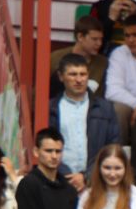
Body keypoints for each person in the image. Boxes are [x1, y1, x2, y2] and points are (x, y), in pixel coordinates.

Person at [50, 54, 118, 190]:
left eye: (83, 74)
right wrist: (66, 175)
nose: (79, 80)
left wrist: (86, 176)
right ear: (61, 76)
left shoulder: (105, 108)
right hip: (59, 180)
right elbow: (46, 146)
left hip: (97, 181)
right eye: (73, 74)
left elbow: (113, 145)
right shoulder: (51, 108)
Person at [50, 17, 108, 91]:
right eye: (94, 39)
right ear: (80, 37)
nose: (99, 43)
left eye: (101, 39)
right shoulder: (56, 58)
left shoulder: (103, 63)